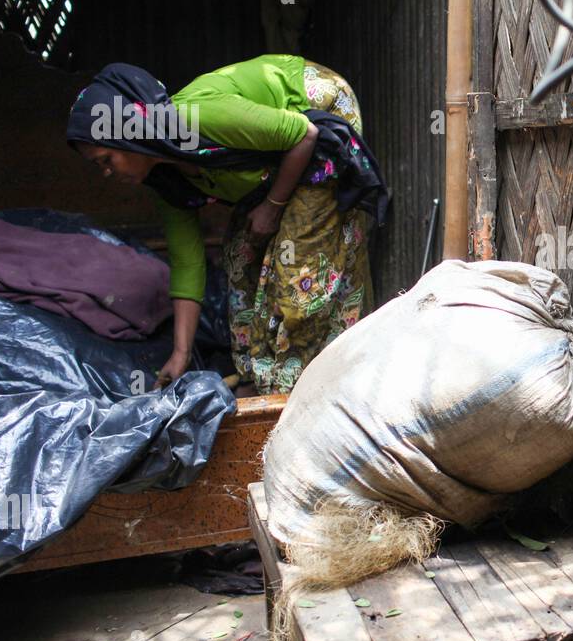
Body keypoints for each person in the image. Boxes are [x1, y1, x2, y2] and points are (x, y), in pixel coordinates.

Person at [67, 55, 387, 394]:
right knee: (240, 255)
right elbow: (188, 263)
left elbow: (303, 135)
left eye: (106, 160)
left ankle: (299, 387)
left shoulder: (195, 119)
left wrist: (272, 207)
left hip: (315, 110)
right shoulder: (167, 181)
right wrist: (181, 353)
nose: (106, 172)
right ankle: (259, 375)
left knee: (300, 268)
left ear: (126, 134)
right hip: (276, 159)